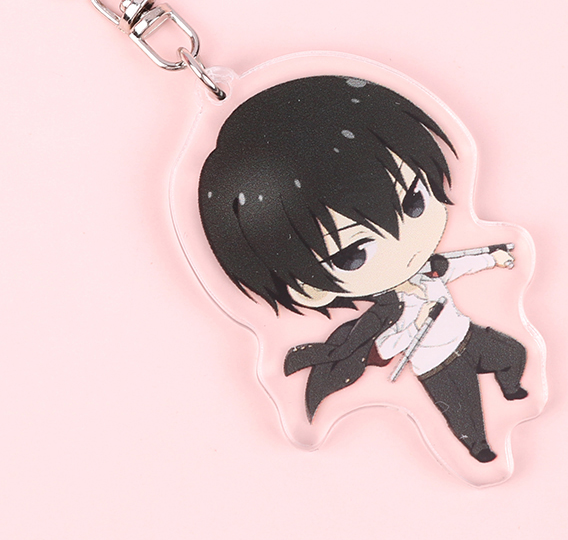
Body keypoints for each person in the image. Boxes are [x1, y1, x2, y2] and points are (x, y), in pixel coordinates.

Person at [198, 75, 527, 462]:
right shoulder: (386, 313)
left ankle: (512, 389)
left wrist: (494, 257)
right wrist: (403, 335)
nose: (405, 246)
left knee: (513, 354)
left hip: (468, 336)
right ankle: (478, 447)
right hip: (434, 363)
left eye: (414, 202)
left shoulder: (430, 268)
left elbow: (457, 265)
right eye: (352, 254)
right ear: (308, 289)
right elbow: (381, 346)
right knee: (463, 411)